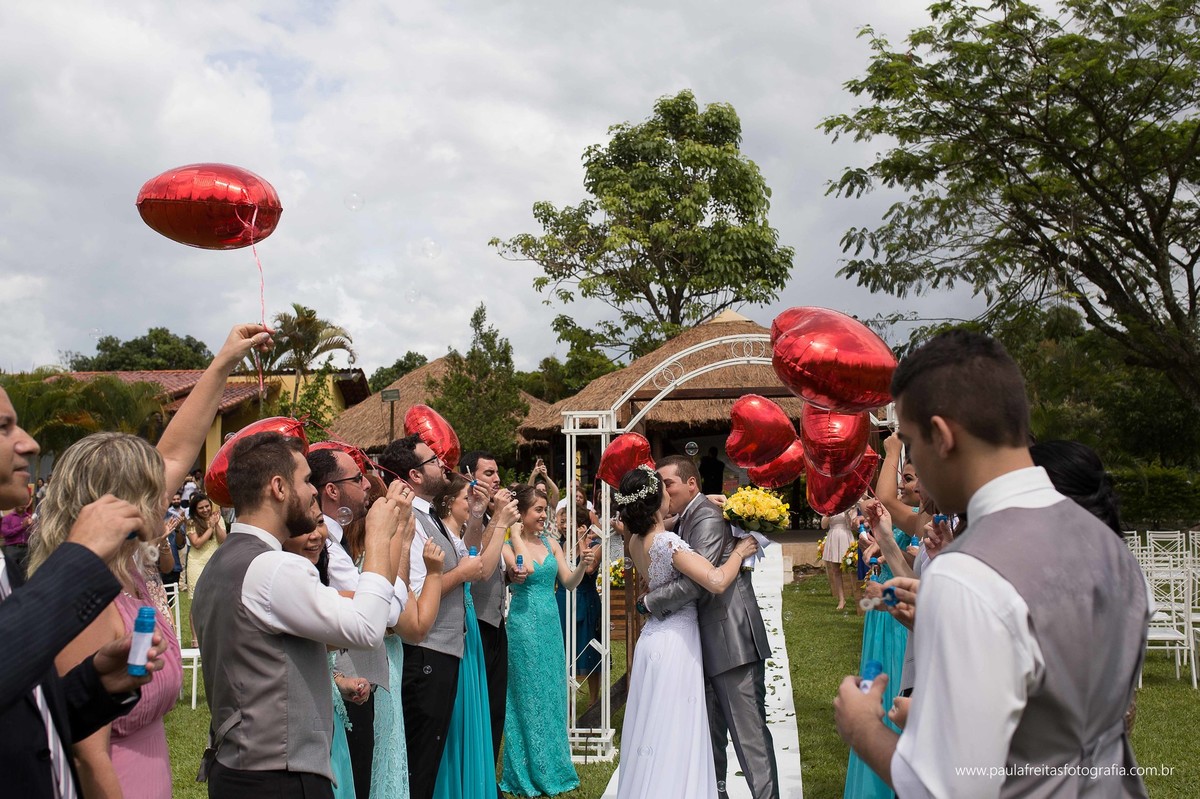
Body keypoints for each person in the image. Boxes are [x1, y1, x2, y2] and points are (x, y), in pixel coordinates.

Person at [834, 329, 1150, 797]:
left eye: (910, 442)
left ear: (942, 436)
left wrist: (862, 728)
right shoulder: (1108, 545)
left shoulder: (966, 572)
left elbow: (948, 788)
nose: (911, 465)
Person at [29, 323, 270, 799]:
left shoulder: (127, 568)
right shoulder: (83, 596)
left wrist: (223, 362)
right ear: (112, 503)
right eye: (151, 492)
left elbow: (176, 450)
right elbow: (88, 753)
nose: (168, 499)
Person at [192, 430, 406, 798]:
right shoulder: (274, 567)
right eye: (306, 480)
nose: (313, 492)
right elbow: (368, 628)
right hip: (280, 778)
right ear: (278, 488)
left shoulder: (222, 561)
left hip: (238, 770)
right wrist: (380, 539)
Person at [0, 386, 167, 799]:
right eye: (4, 428)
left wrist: (92, 684)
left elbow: (25, 720)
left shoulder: (5, 567)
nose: (29, 443)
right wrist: (80, 558)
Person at [640, 455, 779, 799]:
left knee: (749, 741)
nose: (663, 490)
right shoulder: (685, 517)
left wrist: (648, 602)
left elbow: (696, 584)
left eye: (668, 483)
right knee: (710, 739)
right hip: (703, 643)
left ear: (691, 484)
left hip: (730, 642)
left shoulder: (706, 518)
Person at [377, 434, 489, 799]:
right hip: (425, 651)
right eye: (433, 460)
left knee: (432, 756)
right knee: (421, 761)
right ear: (415, 474)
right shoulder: (407, 521)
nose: (443, 463)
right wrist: (461, 575)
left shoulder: (429, 516)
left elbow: (458, 556)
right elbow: (412, 594)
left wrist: (476, 516)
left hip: (443, 649)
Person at [308, 447, 405, 799]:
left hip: (351, 683)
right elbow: (387, 616)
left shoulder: (337, 543)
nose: (366, 484)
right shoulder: (328, 550)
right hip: (345, 687)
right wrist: (395, 537)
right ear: (331, 490)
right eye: (357, 477)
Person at [499, 484, 599, 796]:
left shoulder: (551, 542)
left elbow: (568, 582)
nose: (545, 515)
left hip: (549, 625)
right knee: (527, 697)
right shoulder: (506, 545)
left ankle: (553, 765)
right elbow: (525, 569)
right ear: (522, 514)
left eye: (545, 509)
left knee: (551, 693)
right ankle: (526, 771)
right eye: (539, 510)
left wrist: (583, 562)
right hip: (523, 625)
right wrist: (514, 535)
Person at [432, 472, 515, 799]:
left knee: (478, 711)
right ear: (448, 502)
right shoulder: (443, 535)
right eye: (467, 498)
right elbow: (480, 566)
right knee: (461, 714)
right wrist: (502, 523)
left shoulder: (461, 533)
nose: (473, 503)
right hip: (459, 626)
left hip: (471, 627)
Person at [280, 517, 363, 799]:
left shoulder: (320, 578)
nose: (315, 535)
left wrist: (340, 681)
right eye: (304, 529)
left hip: (329, 713)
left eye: (318, 524)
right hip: (300, 725)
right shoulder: (287, 588)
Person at [461, 449, 521, 778]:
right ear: (469, 476)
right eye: (488, 474)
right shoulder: (468, 517)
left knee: (496, 707)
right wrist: (498, 518)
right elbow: (476, 562)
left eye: (497, 473)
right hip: (475, 626)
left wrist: (510, 576)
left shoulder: (491, 519)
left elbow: (495, 567)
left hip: (497, 623)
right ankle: (477, 779)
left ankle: (488, 780)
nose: (496, 479)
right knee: (478, 709)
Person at [184, 493, 225, 600]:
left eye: (207, 506)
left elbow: (223, 540)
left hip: (216, 564)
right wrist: (210, 528)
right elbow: (197, 543)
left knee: (216, 600)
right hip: (197, 564)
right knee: (199, 601)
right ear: (195, 509)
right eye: (201, 508)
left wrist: (216, 524)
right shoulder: (191, 523)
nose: (205, 510)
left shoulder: (218, 519)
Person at [820, 508, 855, 610]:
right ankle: (841, 599)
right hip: (833, 536)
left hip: (846, 535)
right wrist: (829, 512)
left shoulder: (850, 505)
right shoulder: (829, 506)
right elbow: (823, 525)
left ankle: (857, 596)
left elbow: (851, 526)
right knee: (836, 570)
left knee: (852, 568)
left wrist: (847, 513)